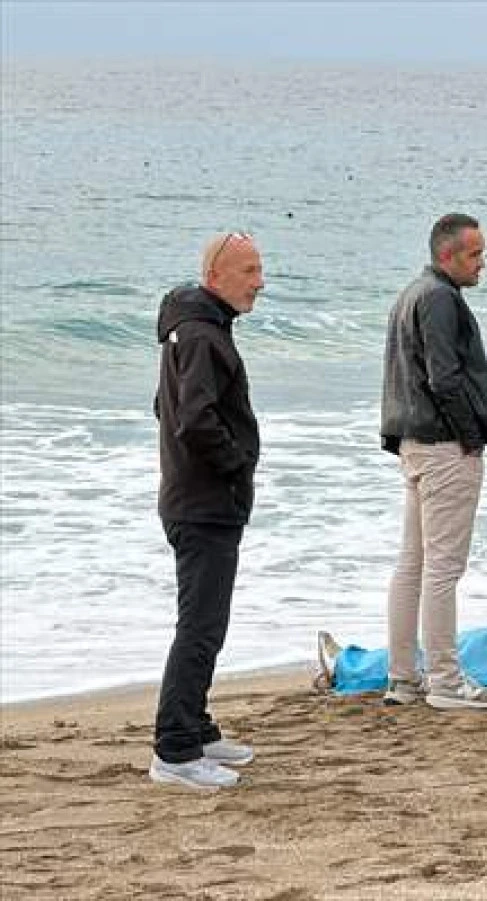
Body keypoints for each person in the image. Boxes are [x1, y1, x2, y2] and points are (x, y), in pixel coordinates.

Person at [380, 213, 487, 710]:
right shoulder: (438, 298)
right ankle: (445, 681)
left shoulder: (413, 293)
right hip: (442, 445)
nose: (482, 263)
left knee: (413, 565)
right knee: (441, 568)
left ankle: (403, 678)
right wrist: (470, 437)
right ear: (446, 255)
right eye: (474, 254)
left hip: (414, 441)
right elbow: (444, 377)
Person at [150, 231, 263, 790]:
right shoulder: (199, 333)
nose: (259, 283)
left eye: (259, 269)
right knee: (199, 627)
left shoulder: (198, 327)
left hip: (196, 498)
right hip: (202, 504)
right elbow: (194, 420)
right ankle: (174, 750)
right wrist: (236, 465)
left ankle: (195, 726)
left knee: (206, 625)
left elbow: (163, 406)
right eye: (249, 271)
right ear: (214, 277)